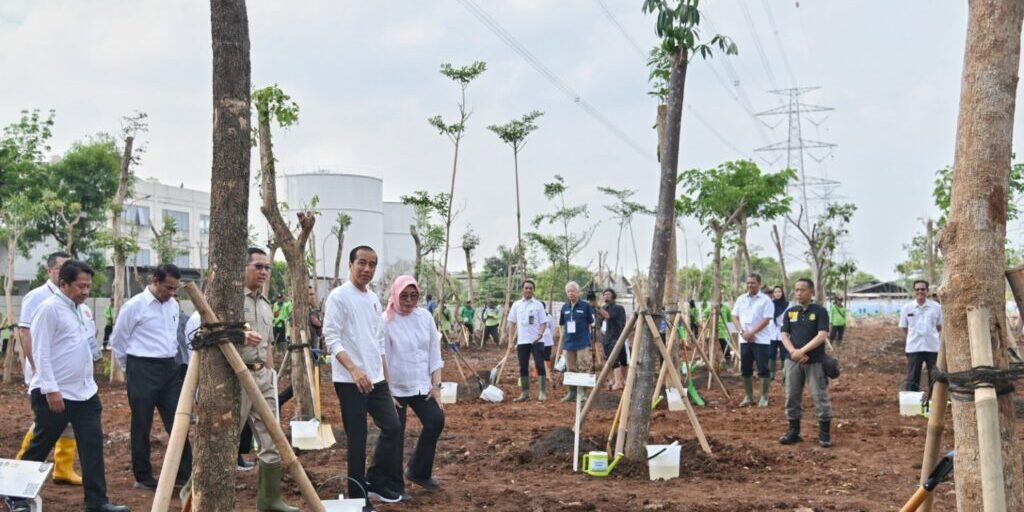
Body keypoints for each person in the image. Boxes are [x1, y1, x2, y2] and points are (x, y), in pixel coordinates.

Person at [7, 260, 129, 512]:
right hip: (56, 394)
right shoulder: (49, 309)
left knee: (92, 447)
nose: (85, 291)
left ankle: (97, 502)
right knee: (41, 444)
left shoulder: (82, 310)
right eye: (80, 286)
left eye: (88, 286)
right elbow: (41, 352)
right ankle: (15, 495)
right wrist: (51, 389)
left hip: (85, 393)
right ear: (63, 284)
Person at [324, 246, 405, 505]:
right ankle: (358, 499)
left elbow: (378, 342)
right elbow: (331, 338)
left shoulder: (372, 299)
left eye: (372, 264)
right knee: (357, 440)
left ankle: (377, 481)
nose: (367, 269)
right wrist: (354, 369)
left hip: (376, 379)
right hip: (350, 382)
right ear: (350, 264)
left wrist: (386, 384)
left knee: (393, 427)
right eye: (362, 263)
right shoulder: (338, 297)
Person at [110, 264, 192, 490]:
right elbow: (118, 341)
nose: (172, 293)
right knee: (141, 424)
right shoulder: (134, 306)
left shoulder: (173, 305)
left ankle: (184, 474)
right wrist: (131, 370)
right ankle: (143, 476)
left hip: (169, 369)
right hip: (141, 369)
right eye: (168, 288)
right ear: (155, 280)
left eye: (176, 289)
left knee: (178, 422)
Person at [13, 251, 83, 487]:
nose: (65, 272)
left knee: (69, 423)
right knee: (45, 422)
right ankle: (20, 469)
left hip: (69, 377)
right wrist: (39, 371)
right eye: (61, 268)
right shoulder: (37, 297)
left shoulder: (74, 300)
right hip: (44, 374)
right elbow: (26, 332)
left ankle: (63, 468)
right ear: (50, 271)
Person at [238, 248, 298, 511]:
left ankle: (270, 501)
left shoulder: (265, 304)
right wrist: (239, 335)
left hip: (264, 376)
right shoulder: (232, 301)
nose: (263, 272)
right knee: (226, 441)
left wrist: (272, 376)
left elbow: (270, 345)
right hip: (238, 378)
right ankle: (193, 492)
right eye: (258, 266)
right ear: (244, 268)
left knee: (272, 437)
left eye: (267, 268)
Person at [381, 275, 445, 492]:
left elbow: (434, 353)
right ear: (396, 295)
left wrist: (436, 386)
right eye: (404, 296)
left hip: (420, 385)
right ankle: (393, 483)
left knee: (436, 419)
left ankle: (418, 471)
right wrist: (386, 391)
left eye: (413, 296)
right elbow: (383, 358)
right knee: (395, 432)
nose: (409, 301)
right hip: (395, 388)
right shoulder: (386, 321)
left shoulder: (425, 317)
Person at [779, 278, 834, 448]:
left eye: (802, 290)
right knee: (791, 396)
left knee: (819, 396)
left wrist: (802, 351)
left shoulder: (820, 311)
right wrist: (793, 353)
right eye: (796, 290)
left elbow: (822, 335)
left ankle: (824, 434)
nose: (798, 293)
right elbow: (784, 335)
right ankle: (793, 432)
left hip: (814, 361)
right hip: (792, 361)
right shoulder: (790, 312)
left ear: (812, 292)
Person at [732, 273, 775, 407]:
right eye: (748, 283)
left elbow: (767, 319)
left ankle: (764, 397)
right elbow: (735, 316)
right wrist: (742, 332)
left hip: (761, 340)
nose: (750, 285)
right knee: (745, 368)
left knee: (763, 368)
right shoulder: (741, 299)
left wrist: (752, 332)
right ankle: (748, 397)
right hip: (744, 340)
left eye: (753, 283)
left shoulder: (766, 300)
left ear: (759, 284)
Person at [507, 280, 549, 402]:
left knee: (540, 365)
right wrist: (510, 341)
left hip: (537, 341)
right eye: (526, 288)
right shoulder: (516, 305)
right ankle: (525, 393)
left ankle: (542, 392)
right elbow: (512, 324)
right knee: (523, 367)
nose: (528, 290)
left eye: (530, 288)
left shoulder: (538, 305)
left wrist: (540, 334)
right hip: (522, 342)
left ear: (533, 290)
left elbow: (543, 322)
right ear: (522, 290)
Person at [899, 280, 942, 392]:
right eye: (917, 289)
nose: (920, 291)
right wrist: (914, 336)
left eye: (922, 289)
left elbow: (939, 326)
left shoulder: (936, 307)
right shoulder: (907, 308)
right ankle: (912, 402)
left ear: (927, 291)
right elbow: (904, 327)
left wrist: (930, 335)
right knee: (912, 377)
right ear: (914, 292)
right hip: (914, 347)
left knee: (935, 376)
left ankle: (934, 401)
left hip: (932, 347)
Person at [559, 281, 594, 402]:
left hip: (582, 342)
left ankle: (583, 393)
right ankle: (571, 393)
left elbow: (590, 323)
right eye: (568, 291)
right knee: (570, 368)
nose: (571, 293)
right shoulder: (564, 307)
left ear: (578, 292)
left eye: (573, 291)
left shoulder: (586, 306)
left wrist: (588, 339)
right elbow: (562, 325)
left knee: (583, 367)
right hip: (569, 343)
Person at [595, 288, 627, 390]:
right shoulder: (604, 307)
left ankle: (619, 382)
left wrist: (598, 307)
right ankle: (618, 380)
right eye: (604, 295)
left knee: (617, 360)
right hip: (608, 337)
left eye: (608, 294)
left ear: (613, 296)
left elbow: (608, 316)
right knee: (616, 359)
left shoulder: (618, 308)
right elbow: (599, 321)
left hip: (616, 337)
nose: (606, 296)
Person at [769, 286, 789, 379]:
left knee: (784, 354)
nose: (777, 293)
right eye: (775, 292)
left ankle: (785, 375)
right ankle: (771, 375)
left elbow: (790, 318)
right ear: (773, 294)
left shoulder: (788, 305)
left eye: (779, 291)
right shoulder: (769, 304)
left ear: (782, 293)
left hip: (784, 332)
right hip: (771, 333)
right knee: (771, 354)